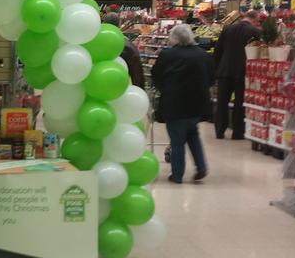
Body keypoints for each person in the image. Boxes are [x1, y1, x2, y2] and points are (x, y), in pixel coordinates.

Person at [151, 24, 214, 184]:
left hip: (175, 104)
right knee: (193, 135)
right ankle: (201, 167)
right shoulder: (202, 54)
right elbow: (211, 78)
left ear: (175, 38)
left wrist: (165, 89)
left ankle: (177, 175)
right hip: (197, 105)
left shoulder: (168, 55)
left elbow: (156, 75)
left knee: (177, 140)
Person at [214, 10, 261, 140]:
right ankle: (237, 132)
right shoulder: (254, 31)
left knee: (222, 102)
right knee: (240, 103)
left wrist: (217, 68)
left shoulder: (227, 29)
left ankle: (219, 131)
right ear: (254, 20)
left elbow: (218, 50)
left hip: (224, 71)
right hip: (243, 72)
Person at [102, 13, 145, 89]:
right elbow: (137, 75)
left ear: (104, 24)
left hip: (100, 84)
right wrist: (139, 89)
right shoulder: (127, 46)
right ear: (119, 24)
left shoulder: (96, 43)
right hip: (121, 87)